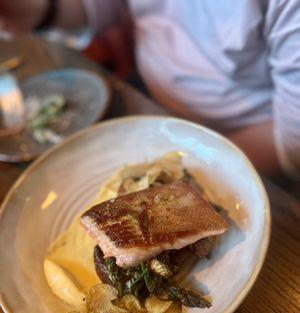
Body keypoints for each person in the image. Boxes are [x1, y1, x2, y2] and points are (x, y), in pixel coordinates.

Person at [1, 0, 299, 179]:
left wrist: (169, 167)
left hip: (248, 151)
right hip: (149, 103)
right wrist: (34, 10)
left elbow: (291, 140)